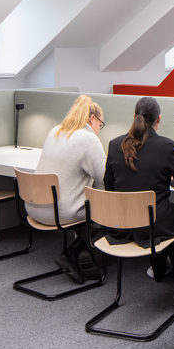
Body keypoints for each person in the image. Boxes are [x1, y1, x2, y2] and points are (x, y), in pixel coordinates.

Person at [102, 97, 174, 292]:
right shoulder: (166, 146)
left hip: (122, 227)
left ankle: (162, 269)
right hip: (154, 229)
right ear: (158, 119)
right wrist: (169, 180)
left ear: (134, 116)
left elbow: (109, 187)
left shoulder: (114, 144)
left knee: (153, 224)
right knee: (161, 218)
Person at [24, 95, 106, 283]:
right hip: (60, 212)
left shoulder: (54, 131)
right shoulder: (89, 139)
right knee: (106, 208)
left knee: (86, 201)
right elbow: (104, 177)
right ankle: (74, 253)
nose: (99, 130)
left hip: (33, 207)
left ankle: (80, 253)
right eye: (100, 124)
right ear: (92, 119)